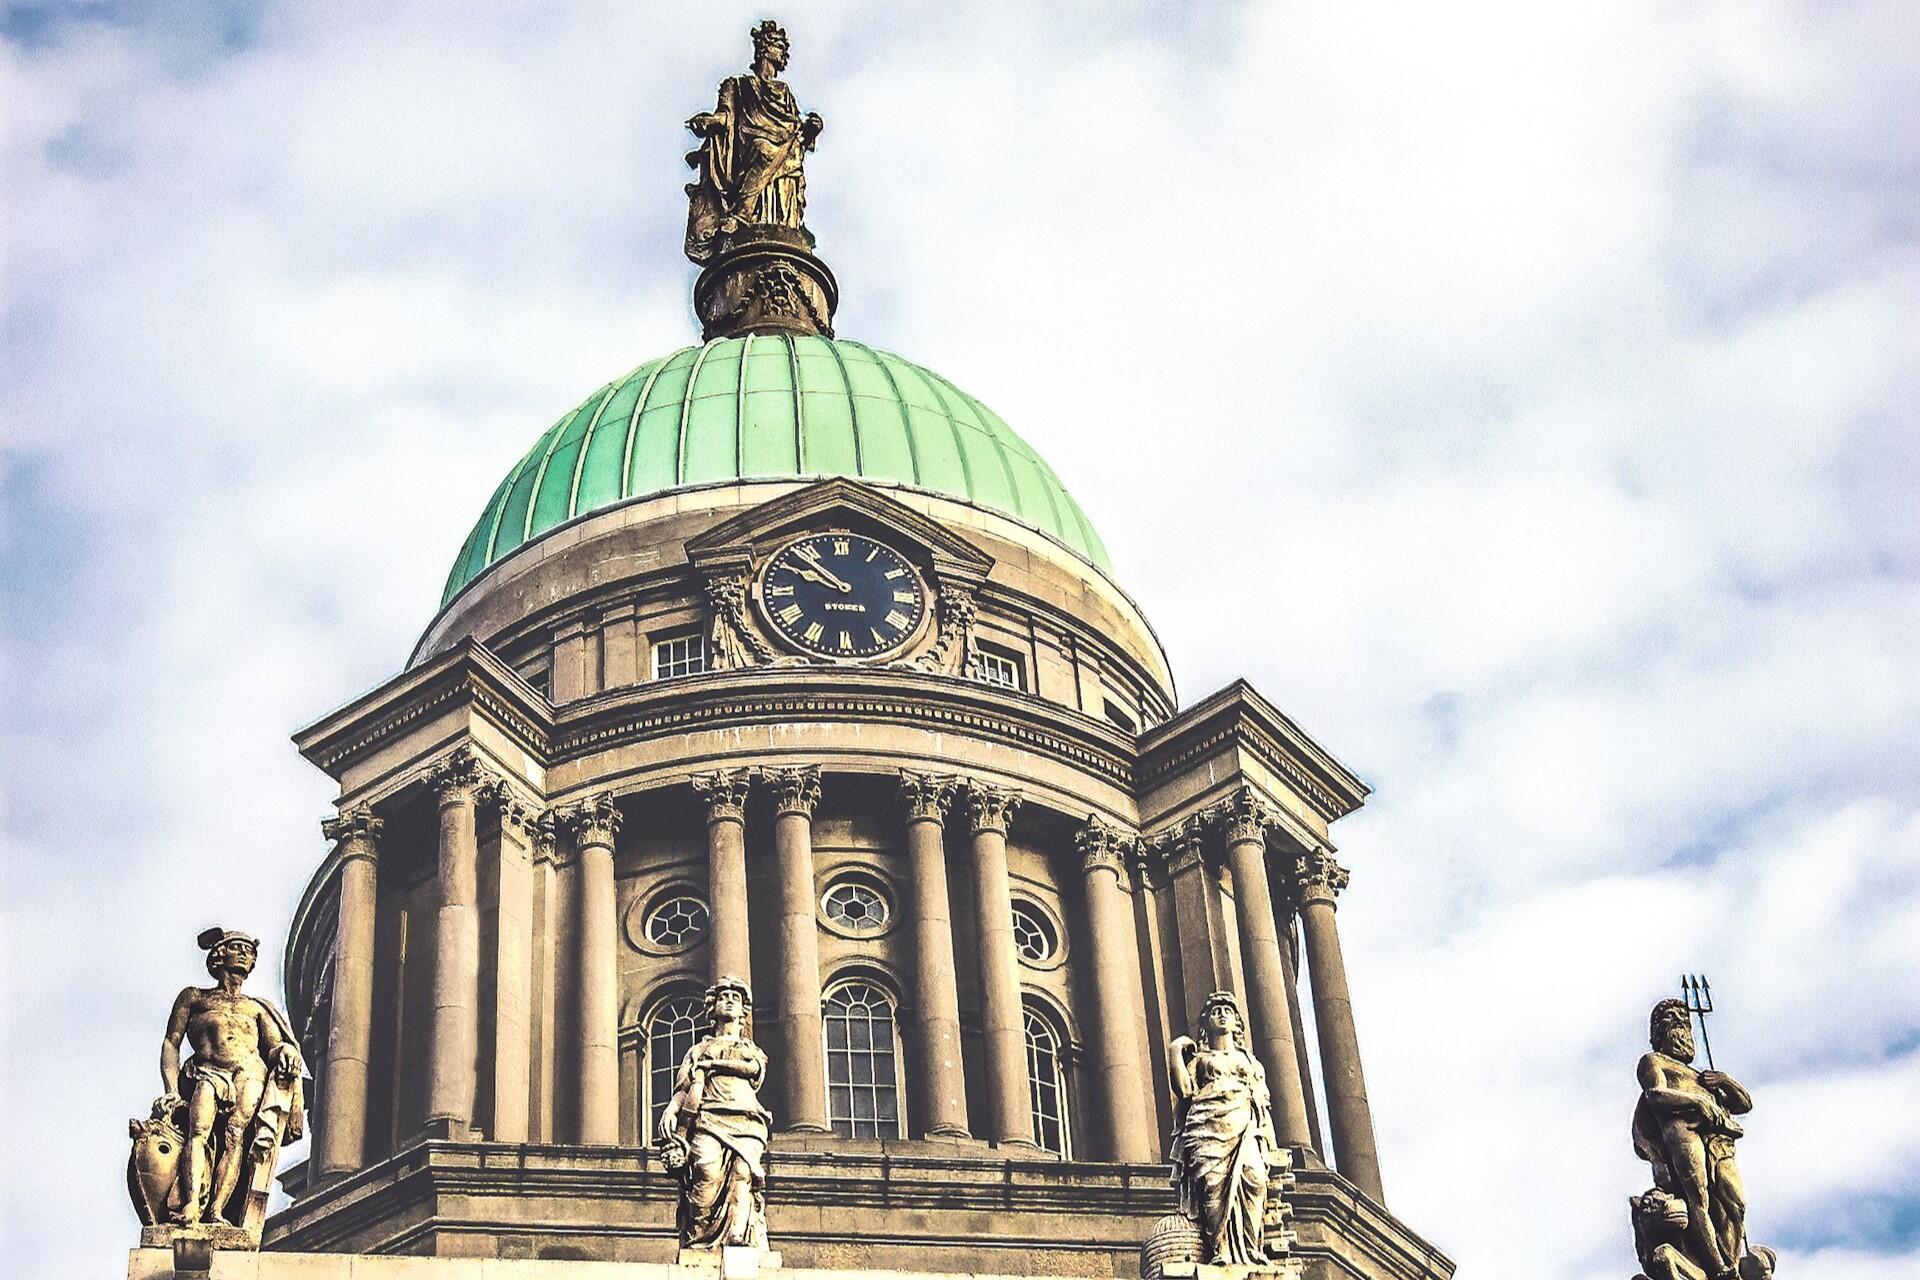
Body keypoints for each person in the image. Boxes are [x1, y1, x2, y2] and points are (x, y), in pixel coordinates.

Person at [147, 928, 304, 1233]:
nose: (245, 954)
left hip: (249, 1071)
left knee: (236, 1136)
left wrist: (285, 1048)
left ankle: (217, 1210)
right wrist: (171, 1090)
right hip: (208, 1070)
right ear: (219, 954)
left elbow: (272, 1046)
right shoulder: (195, 998)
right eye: (237, 947)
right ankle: (192, 1204)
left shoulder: (256, 1008)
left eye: (249, 950)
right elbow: (171, 1043)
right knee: (198, 1132)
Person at [683, 20, 824, 263]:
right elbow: (726, 116)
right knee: (762, 148)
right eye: (780, 47)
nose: (785, 55)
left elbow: (796, 130)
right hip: (750, 149)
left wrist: (812, 129)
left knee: (775, 149)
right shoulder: (736, 85)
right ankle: (741, 213)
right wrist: (708, 122)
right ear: (765, 49)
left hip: (785, 151)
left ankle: (753, 217)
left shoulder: (785, 93)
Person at [1633, 999, 1752, 1280]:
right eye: (1677, 1025)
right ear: (1662, 1033)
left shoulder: (1702, 1076)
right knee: (1698, 1199)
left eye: (1687, 1025)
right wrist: (1698, 1103)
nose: (1685, 1032)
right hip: (1681, 1132)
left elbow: (1744, 1104)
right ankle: (1720, 1270)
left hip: (1718, 1144)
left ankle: (1731, 1261)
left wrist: (1723, 1081)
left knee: (1735, 1205)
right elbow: (1655, 1095)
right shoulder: (1654, 1062)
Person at [658, 976, 772, 1250]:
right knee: (705, 1169)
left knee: (743, 1173)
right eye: (723, 996)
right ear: (711, 1008)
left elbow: (752, 1070)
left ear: (744, 1012)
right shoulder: (698, 1049)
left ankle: (737, 1233)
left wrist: (713, 1065)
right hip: (707, 1117)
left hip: (746, 1118)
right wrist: (671, 1111)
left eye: (736, 997)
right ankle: (700, 1236)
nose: (730, 1000)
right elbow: (683, 1088)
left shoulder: (750, 1049)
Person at [1167, 991, 1277, 1265]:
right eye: (1215, 1011)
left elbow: (1262, 1102)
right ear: (1206, 1023)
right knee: (1212, 1185)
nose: (1221, 1015)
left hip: (1244, 1125)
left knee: (1255, 1179)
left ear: (1237, 1022)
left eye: (1227, 1011)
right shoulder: (1200, 1061)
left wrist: (1269, 1143)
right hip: (1206, 1127)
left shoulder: (1250, 1062)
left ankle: (1251, 1249)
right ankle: (1221, 1249)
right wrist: (1174, 1053)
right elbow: (1184, 1090)